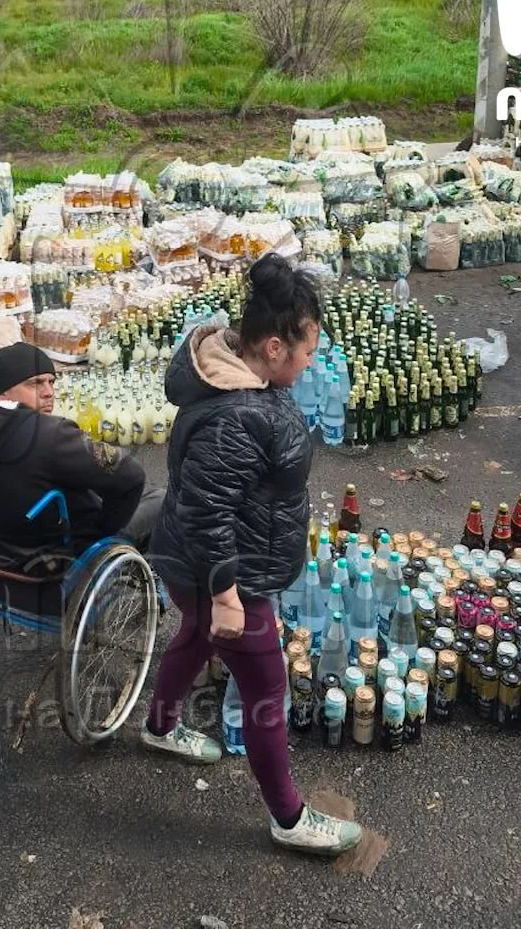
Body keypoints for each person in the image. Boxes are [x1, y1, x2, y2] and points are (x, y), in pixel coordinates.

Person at [139, 253, 363, 857]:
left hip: (208, 566)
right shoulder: (235, 416)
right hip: (217, 573)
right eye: (307, 351)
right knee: (266, 687)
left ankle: (159, 727)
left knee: (193, 640)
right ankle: (289, 818)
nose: (311, 361)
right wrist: (226, 596)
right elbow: (207, 513)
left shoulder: (247, 385)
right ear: (272, 347)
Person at [0, 341, 162, 583]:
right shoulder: (51, 435)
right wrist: (106, 529)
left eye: (51, 382)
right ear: (3, 392)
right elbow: (132, 476)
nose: (49, 392)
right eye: (35, 383)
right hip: (55, 554)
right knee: (160, 498)